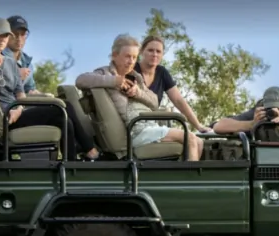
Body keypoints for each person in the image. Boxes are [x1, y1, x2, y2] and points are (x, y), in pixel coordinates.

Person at [0, 17, 100, 161]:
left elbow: (20, 95)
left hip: (16, 113)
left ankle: (70, 166)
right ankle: (90, 150)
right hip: (2, 118)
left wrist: (19, 108)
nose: (3, 40)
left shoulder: (10, 63)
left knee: (63, 117)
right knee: (64, 107)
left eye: (6, 36)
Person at [75, 34, 203, 161]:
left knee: (199, 141)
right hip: (136, 130)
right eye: (127, 56)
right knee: (190, 139)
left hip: (149, 126)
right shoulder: (105, 73)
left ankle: (190, 179)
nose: (131, 61)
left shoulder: (136, 77)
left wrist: (138, 93)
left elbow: (154, 102)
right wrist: (115, 81)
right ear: (115, 55)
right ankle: (191, 181)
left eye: (134, 57)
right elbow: (81, 80)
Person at [135, 35, 212, 133]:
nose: (154, 54)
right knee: (189, 139)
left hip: (151, 124)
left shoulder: (162, 72)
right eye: (150, 50)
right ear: (142, 51)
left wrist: (198, 126)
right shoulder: (132, 70)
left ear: (162, 54)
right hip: (134, 122)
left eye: (158, 51)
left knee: (195, 140)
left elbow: (178, 100)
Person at [211, 86, 279, 143]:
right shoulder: (259, 112)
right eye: (269, 108)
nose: (274, 112)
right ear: (263, 105)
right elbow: (219, 126)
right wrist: (252, 123)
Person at [1, 15, 43, 96]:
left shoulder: (27, 62)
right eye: (15, 34)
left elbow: (29, 89)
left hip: (22, 104)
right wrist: (16, 76)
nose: (19, 38)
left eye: (23, 34)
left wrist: (43, 96)